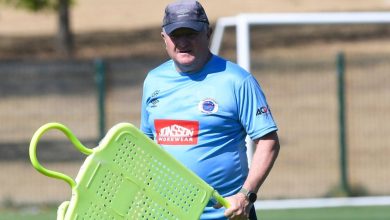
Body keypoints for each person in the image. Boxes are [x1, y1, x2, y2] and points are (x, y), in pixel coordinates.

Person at [140, 1, 280, 219]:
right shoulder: (153, 80)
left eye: (191, 33)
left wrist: (246, 194)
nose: (183, 42)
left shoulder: (237, 80)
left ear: (208, 33)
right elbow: (147, 144)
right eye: (176, 35)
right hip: (167, 214)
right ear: (164, 38)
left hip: (226, 214)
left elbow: (267, 141)